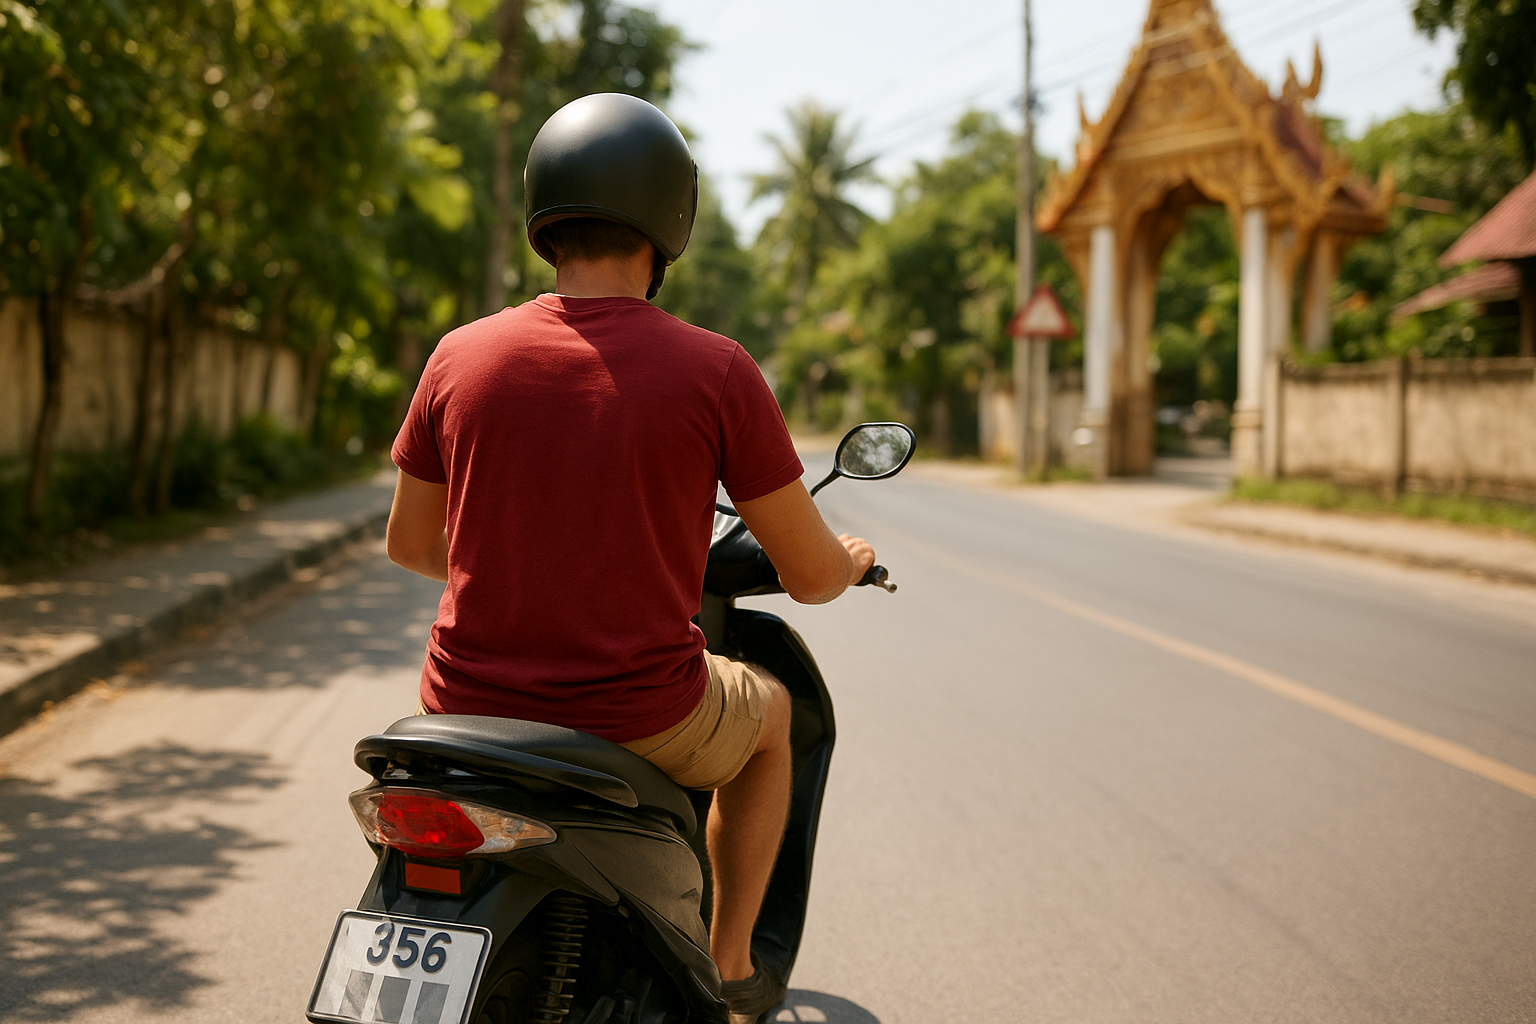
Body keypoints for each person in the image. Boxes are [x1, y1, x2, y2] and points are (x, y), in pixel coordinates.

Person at [384, 92, 875, 1024]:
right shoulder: (716, 369)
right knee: (774, 717)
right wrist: (846, 563)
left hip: (460, 709)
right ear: (669, 220)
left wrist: (519, 562)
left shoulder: (458, 356)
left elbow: (412, 543)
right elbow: (811, 577)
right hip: (639, 712)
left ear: (544, 213)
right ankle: (731, 969)